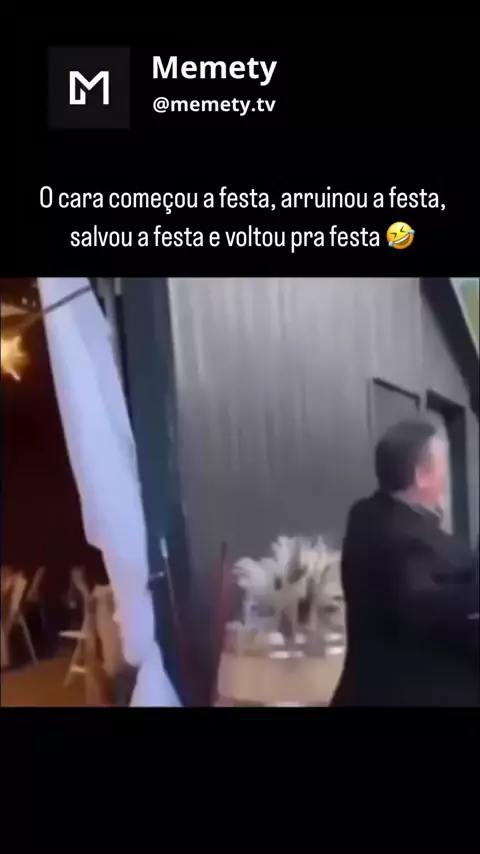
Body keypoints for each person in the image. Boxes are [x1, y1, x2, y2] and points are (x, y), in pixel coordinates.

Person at [332, 420, 479, 707]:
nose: (446, 479)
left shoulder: (368, 518)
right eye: (443, 467)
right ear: (421, 475)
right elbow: (426, 603)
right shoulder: (395, 538)